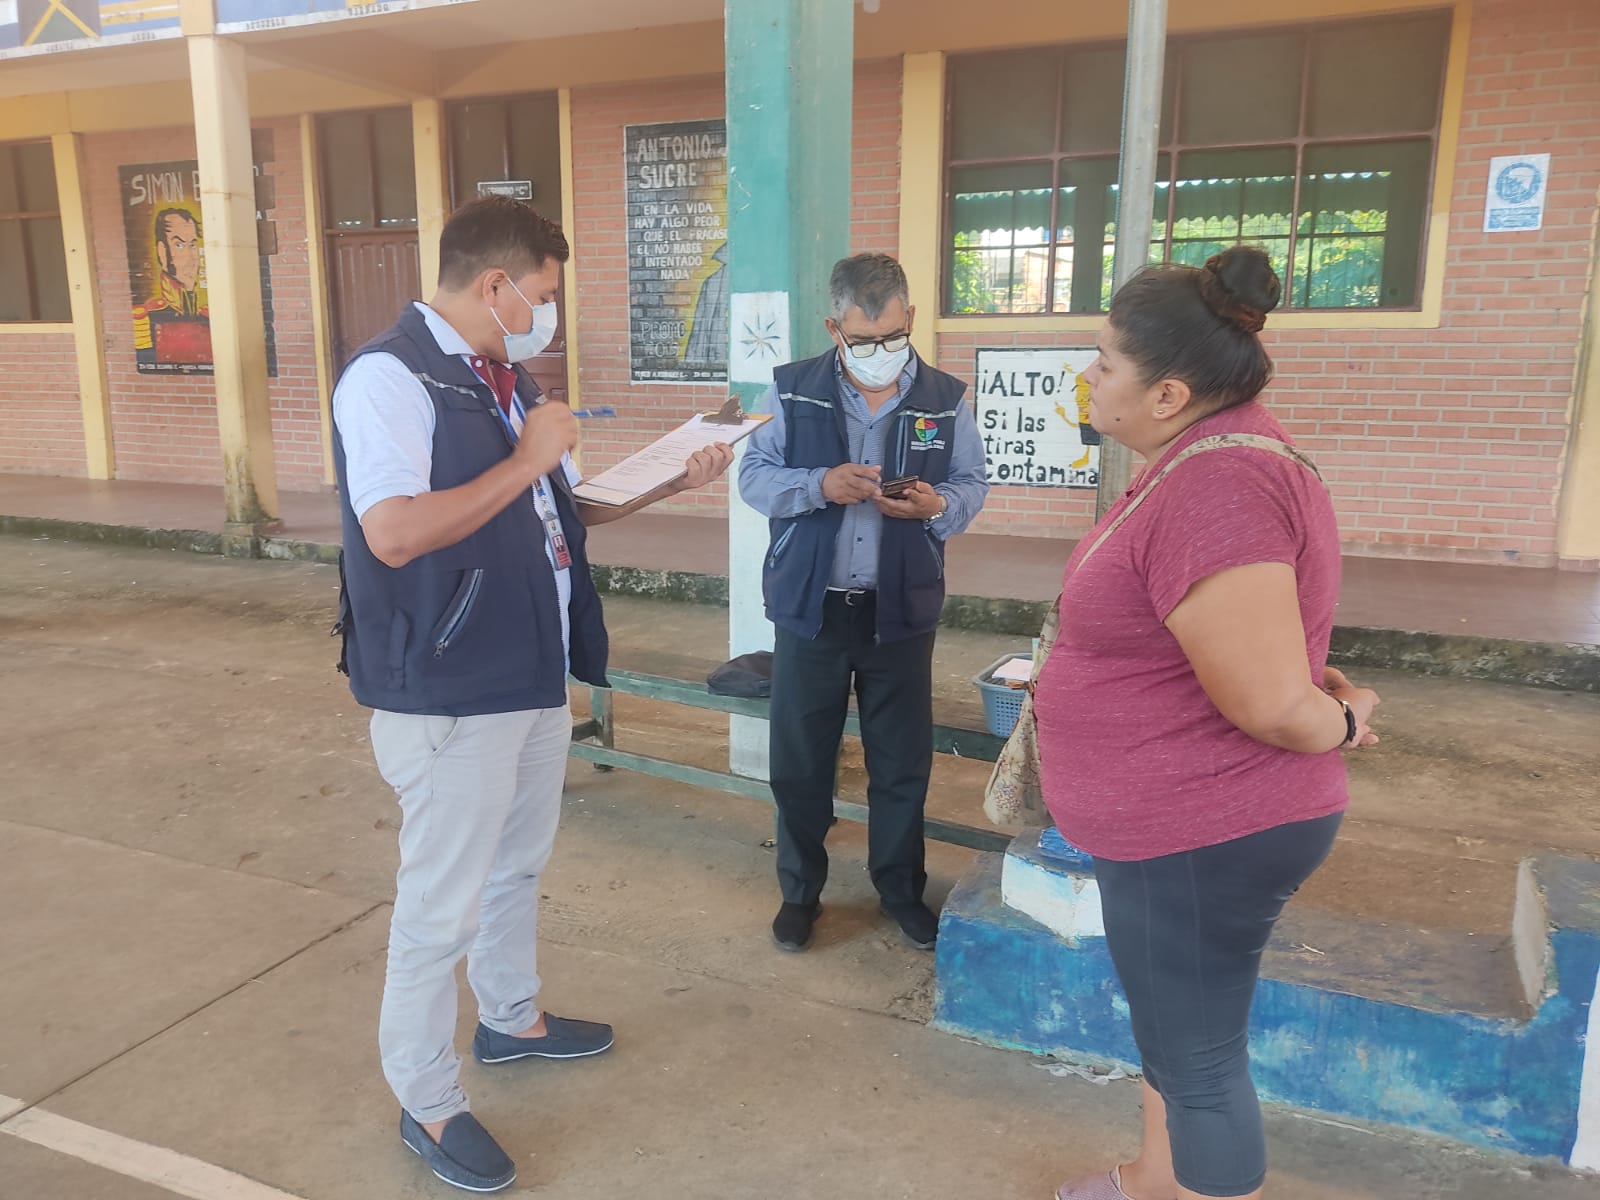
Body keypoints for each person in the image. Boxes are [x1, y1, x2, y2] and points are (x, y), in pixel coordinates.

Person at [331, 196, 732, 1195]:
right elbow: (391, 532)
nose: (549, 310)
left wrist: (668, 482)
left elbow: (560, 507)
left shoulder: (503, 377)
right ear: (495, 285)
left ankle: (511, 1020)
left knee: (515, 867)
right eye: (543, 294)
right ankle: (426, 1100)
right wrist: (525, 459)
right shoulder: (388, 378)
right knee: (437, 909)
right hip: (449, 690)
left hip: (527, 672)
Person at [1036, 246, 1381, 1200]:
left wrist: (1343, 723)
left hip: (1205, 830)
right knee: (1172, 1027)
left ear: (1168, 393)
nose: (1088, 379)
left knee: (1200, 1064)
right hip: (1178, 823)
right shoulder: (1192, 462)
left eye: (1105, 363)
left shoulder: (1214, 487)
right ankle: (1158, 1178)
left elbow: (1275, 704)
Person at [739, 252, 989, 953]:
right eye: (862, 339)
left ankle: (901, 891)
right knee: (800, 761)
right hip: (812, 608)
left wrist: (938, 506)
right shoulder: (793, 390)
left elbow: (972, 483)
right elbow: (755, 478)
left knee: (902, 762)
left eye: (890, 336)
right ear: (834, 327)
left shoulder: (945, 397)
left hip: (900, 611)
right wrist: (821, 484)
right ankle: (799, 893)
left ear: (909, 320)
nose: (879, 353)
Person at [133, 208, 209, 369]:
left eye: (193, 245)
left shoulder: (206, 315)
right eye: (179, 245)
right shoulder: (147, 317)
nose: (191, 257)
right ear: (162, 252)